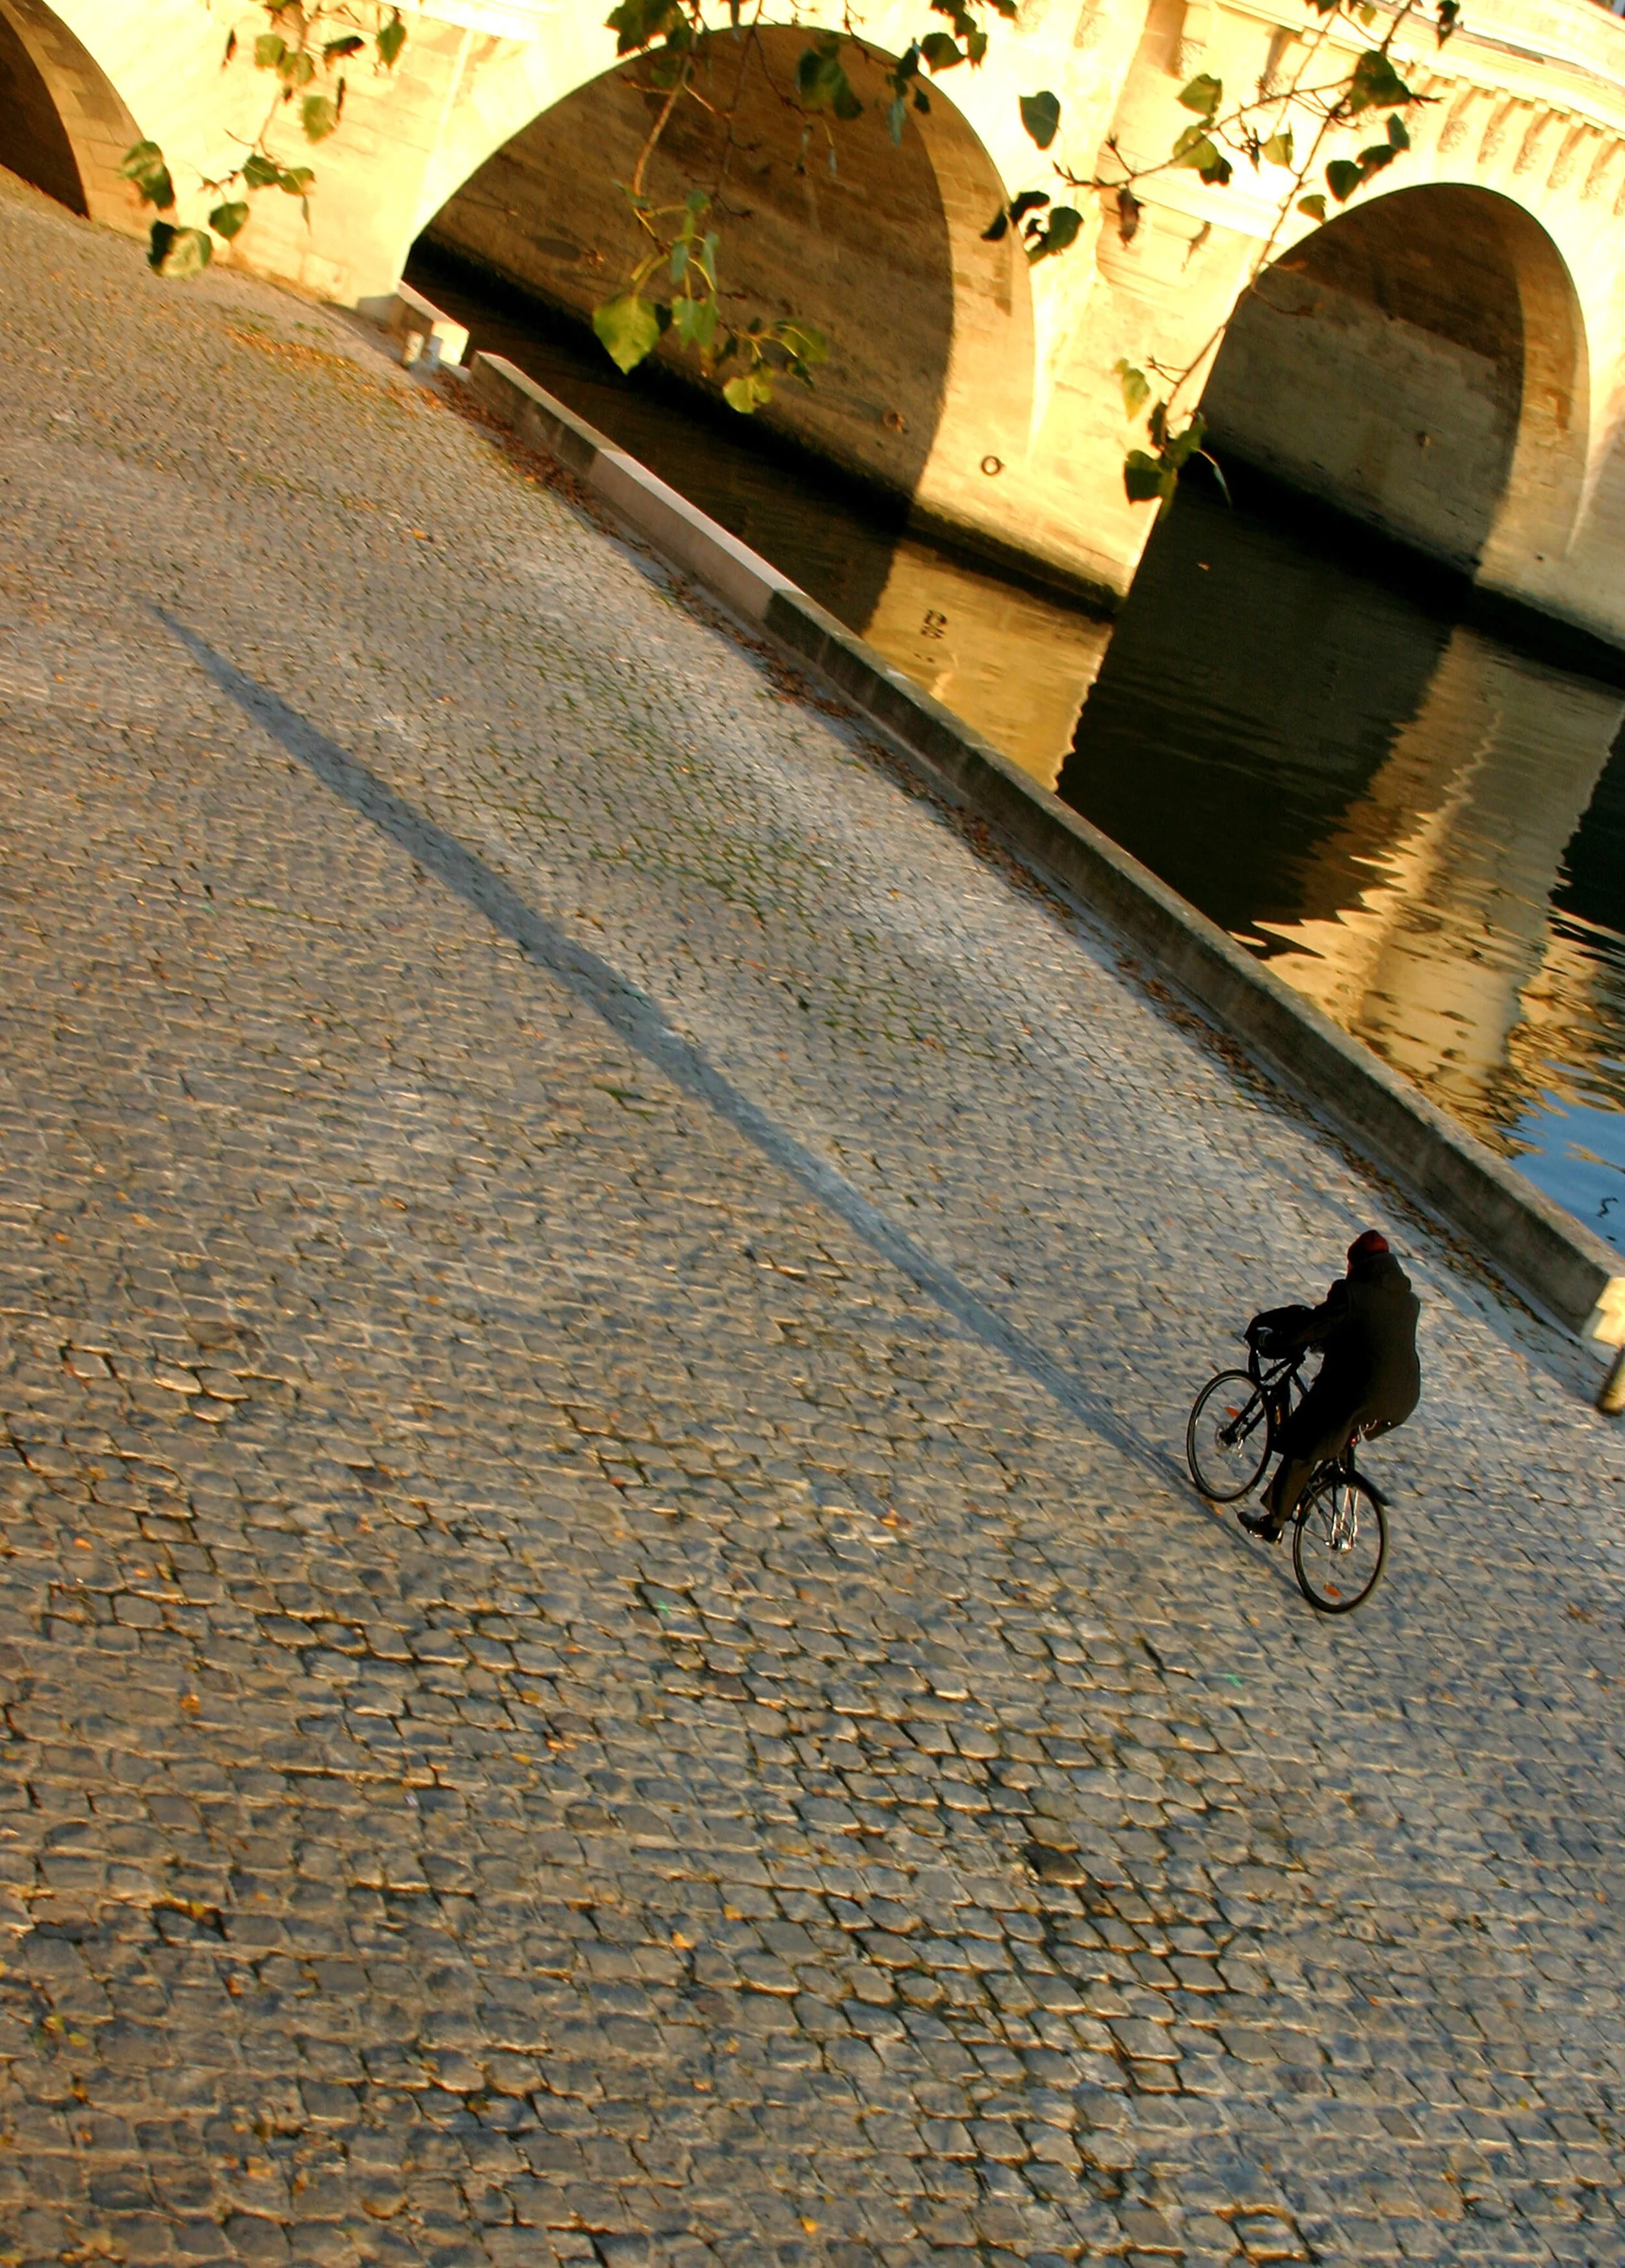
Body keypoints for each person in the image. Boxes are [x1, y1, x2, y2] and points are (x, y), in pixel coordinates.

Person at [1240, 1229, 1421, 1542]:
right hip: (1403, 1398)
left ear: (1356, 1265)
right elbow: (1375, 1338)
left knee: (1309, 1438)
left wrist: (1276, 1341)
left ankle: (1274, 1523)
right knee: (1340, 1430)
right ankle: (1331, 1473)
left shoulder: (1350, 1294)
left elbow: (1315, 1326)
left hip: (1363, 1391)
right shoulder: (1409, 1302)